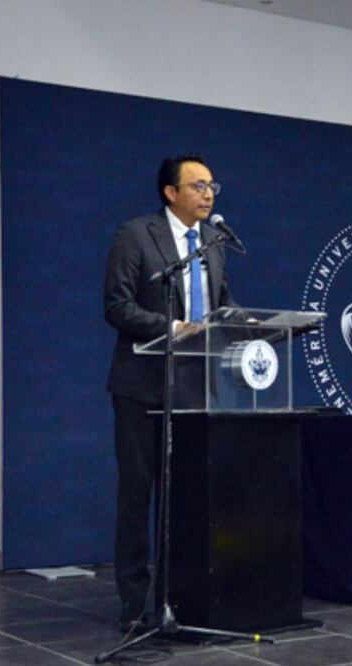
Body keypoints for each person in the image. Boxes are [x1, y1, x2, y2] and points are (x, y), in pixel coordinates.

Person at [104, 154, 237, 631]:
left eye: (212, 186)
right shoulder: (137, 236)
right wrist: (173, 326)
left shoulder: (214, 245)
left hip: (195, 388)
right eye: (198, 185)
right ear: (170, 192)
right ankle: (137, 606)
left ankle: (181, 597)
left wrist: (246, 324)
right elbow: (117, 306)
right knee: (139, 497)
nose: (208, 194)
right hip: (141, 388)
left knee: (186, 499)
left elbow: (220, 308)